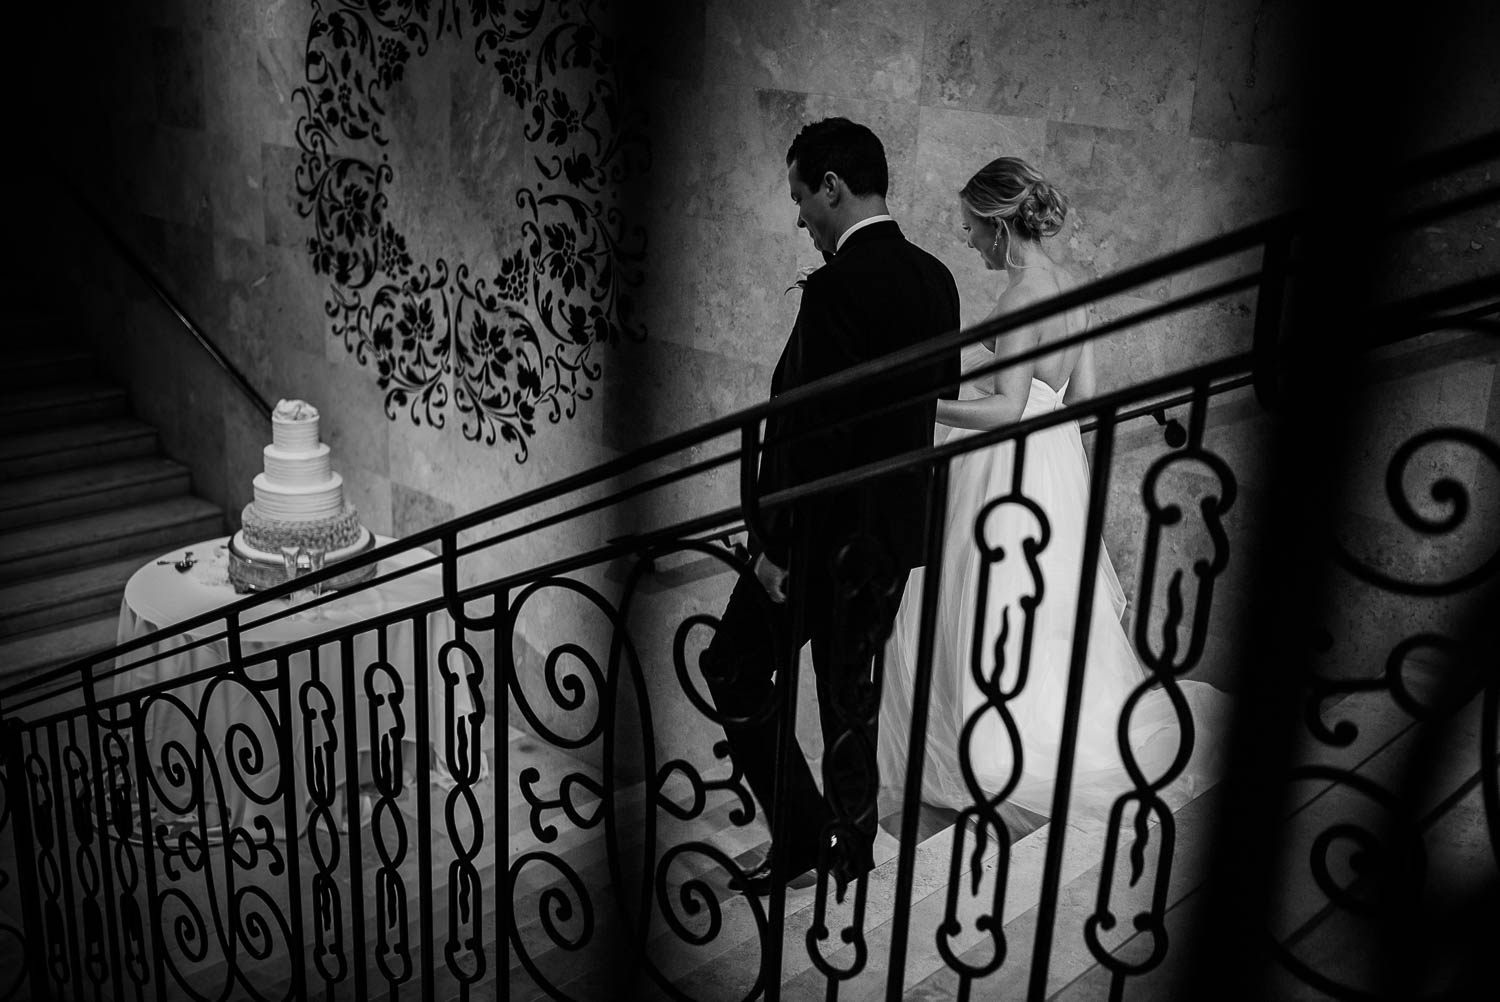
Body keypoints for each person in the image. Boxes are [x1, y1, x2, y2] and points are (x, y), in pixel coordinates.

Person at [877, 156, 1228, 834]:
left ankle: (993, 757)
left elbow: (1007, 408)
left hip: (1006, 471)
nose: (969, 240)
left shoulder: (1017, 296)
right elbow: (1084, 400)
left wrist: (924, 408)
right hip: (1056, 464)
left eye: (974, 229)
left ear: (1001, 226)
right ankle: (1020, 737)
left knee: (986, 608)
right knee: (1040, 614)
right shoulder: (1070, 288)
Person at [700, 118, 961, 897]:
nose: (800, 218)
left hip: (818, 536)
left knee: (734, 667)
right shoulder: (935, 277)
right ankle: (850, 850)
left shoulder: (840, 285)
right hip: (892, 532)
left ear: (832, 186)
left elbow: (810, 428)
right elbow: (931, 402)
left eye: (800, 197)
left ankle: (810, 837)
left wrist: (775, 541)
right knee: (850, 690)